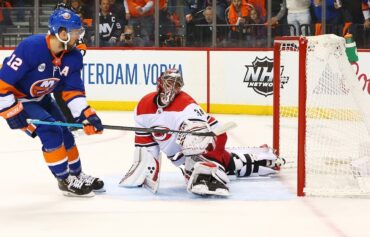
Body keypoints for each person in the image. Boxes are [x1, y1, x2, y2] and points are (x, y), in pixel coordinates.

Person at [119, 68, 285, 197]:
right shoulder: (143, 106)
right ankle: (262, 157)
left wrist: (194, 143)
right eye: (169, 82)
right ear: (160, 83)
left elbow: (202, 137)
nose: (172, 87)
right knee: (209, 164)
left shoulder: (187, 105)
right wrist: (144, 170)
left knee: (220, 164)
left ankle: (266, 160)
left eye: (176, 84)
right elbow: (146, 145)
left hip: (212, 140)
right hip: (186, 153)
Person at [0, 8, 104, 197]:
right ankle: (64, 180)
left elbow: (72, 92)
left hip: (43, 97)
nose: (78, 38)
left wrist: (87, 114)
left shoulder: (72, 56)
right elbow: (2, 84)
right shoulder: (31, 47)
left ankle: (77, 174)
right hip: (21, 99)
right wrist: (10, 111)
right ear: (61, 33)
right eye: (75, 33)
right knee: (51, 131)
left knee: (66, 133)